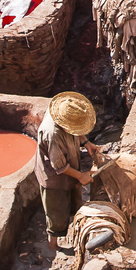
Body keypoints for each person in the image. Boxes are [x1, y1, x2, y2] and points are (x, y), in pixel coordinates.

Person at [35, 91, 100, 252]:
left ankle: (73, 226)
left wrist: (86, 142)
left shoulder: (63, 114)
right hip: (54, 178)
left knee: (73, 201)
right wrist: (81, 176)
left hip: (70, 164)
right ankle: (53, 245)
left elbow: (75, 130)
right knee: (56, 213)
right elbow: (60, 167)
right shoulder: (53, 134)